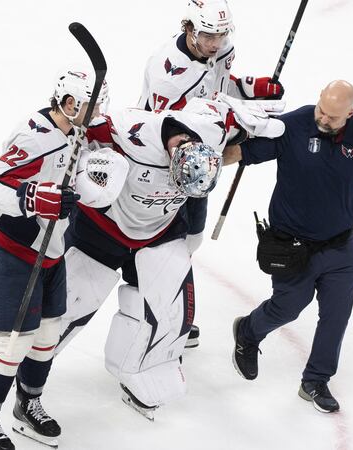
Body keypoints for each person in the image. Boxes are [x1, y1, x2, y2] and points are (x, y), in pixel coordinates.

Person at [56, 97, 285, 420]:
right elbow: (72, 133)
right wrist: (83, 169)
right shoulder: (127, 127)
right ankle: (26, 364)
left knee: (171, 315)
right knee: (66, 308)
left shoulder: (213, 133)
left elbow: (236, 119)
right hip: (103, 228)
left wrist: (247, 117)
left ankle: (141, 372)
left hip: (161, 230)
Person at [0, 69, 128, 449]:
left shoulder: (77, 131)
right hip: (10, 249)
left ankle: (28, 405)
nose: (99, 111)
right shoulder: (34, 138)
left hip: (50, 248)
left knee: (48, 334)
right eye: (92, 104)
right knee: (13, 342)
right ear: (71, 104)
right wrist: (33, 197)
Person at [223, 80, 353, 413]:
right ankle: (248, 330)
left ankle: (315, 379)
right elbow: (241, 153)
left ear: (351, 114)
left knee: (336, 316)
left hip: (341, 247)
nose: (323, 120)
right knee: (288, 306)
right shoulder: (294, 126)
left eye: (332, 117)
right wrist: (212, 150)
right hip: (292, 246)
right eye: (321, 111)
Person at [138, 0, 285, 348]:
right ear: (188, 27)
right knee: (161, 246)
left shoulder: (221, 48)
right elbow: (170, 132)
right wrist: (234, 124)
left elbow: (218, 84)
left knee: (191, 240)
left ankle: (174, 311)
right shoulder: (166, 71)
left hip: (200, 166)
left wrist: (250, 87)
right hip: (164, 166)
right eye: (207, 35)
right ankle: (164, 318)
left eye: (221, 34)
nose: (215, 43)